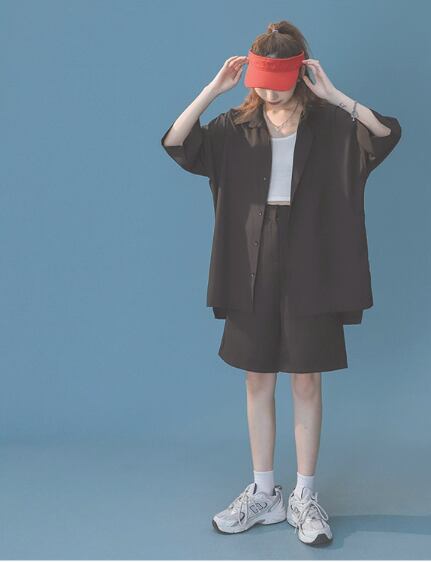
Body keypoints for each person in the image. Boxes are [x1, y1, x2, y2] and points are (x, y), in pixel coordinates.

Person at [161, 21, 402, 546]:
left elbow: (384, 136)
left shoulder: (331, 125)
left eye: (279, 83)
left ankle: (305, 496)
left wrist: (337, 96)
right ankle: (264, 492)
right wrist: (212, 89)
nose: (269, 94)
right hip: (251, 255)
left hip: (313, 253)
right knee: (257, 376)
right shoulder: (234, 125)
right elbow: (177, 142)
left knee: (306, 378)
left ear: (298, 73)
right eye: (261, 84)